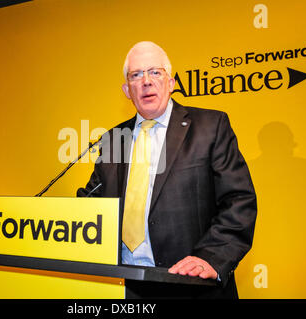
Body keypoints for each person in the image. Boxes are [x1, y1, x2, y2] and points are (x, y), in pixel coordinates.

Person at [77, 41, 257, 298]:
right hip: (126, 287)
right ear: (127, 90)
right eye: (136, 75)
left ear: (171, 82)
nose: (146, 81)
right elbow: (93, 204)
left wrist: (211, 258)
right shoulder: (113, 139)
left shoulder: (210, 126)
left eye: (155, 72)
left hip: (192, 286)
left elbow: (239, 200)